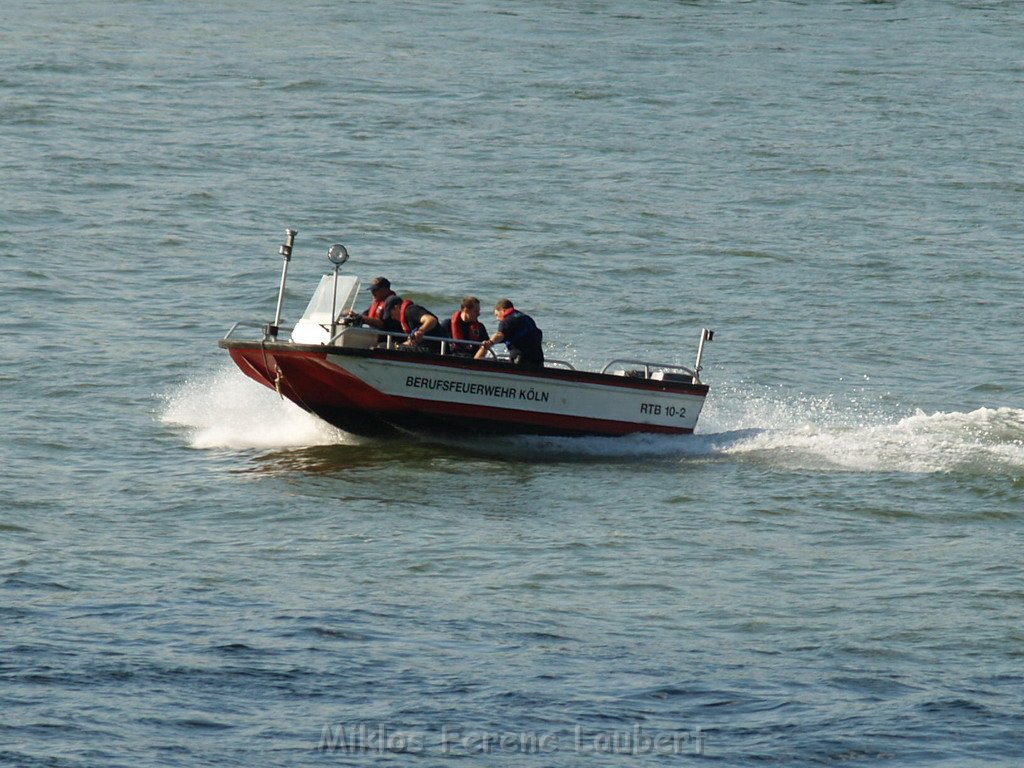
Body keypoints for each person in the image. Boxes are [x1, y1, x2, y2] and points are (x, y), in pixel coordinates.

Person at [475, 298, 544, 368]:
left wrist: (489, 342)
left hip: (521, 362)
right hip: (538, 361)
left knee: (486, 361)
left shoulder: (507, 321)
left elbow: (499, 335)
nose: (497, 319)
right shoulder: (526, 318)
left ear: (503, 310)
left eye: (497, 315)